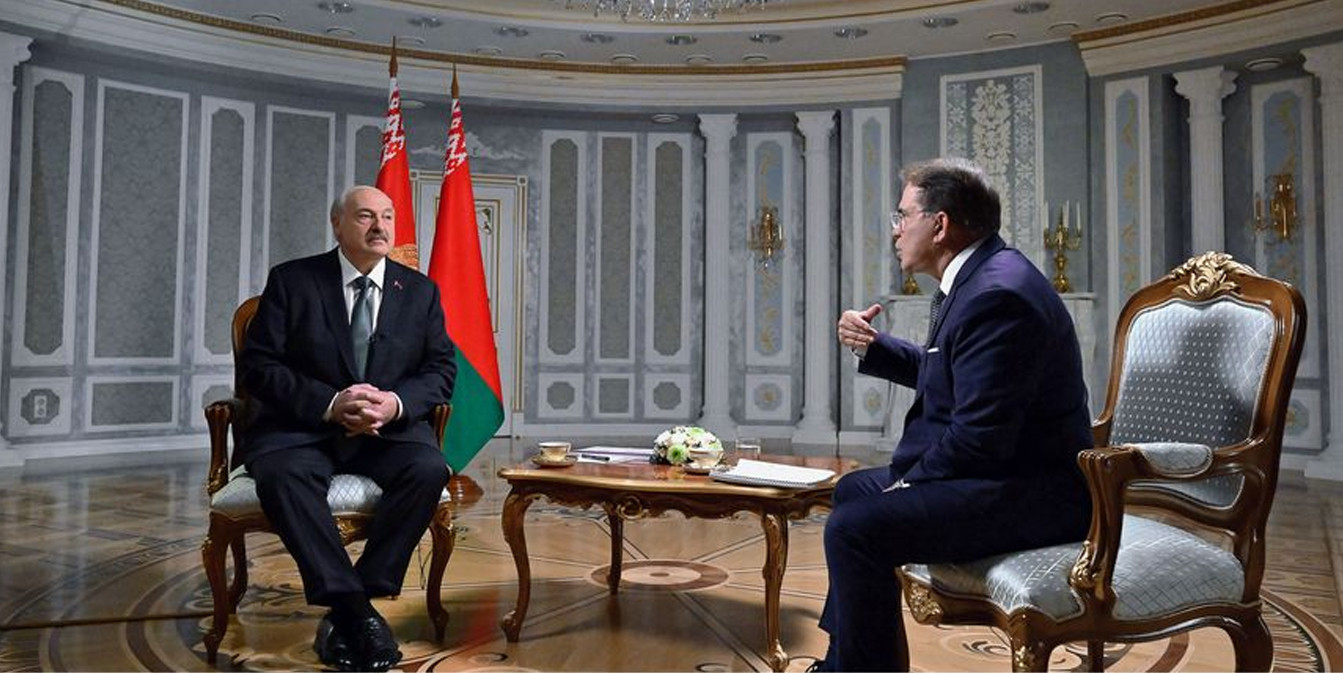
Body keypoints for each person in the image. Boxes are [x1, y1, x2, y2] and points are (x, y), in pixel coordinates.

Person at [820, 158, 1093, 671]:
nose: (896, 230)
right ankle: (846, 661)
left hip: (1034, 494)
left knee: (854, 527)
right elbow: (954, 374)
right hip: (1005, 472)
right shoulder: (980, 279)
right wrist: (874, 347)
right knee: (852, 492)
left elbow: (978, 439)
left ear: (940, 224)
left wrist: (905, 485)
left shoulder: (997, 294)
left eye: (903, 216)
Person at [239, 185, 456, 672]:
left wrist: (393, 404)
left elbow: (441, 371)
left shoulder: (419, 291)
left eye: (387, 216)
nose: (380, 227)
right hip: (303, 427)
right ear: (337, 224)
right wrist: (331, 404)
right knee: (282, 475)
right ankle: (358, 613)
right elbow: (260, 367)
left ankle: (348, 608)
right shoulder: (292, 281)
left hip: (387, 431)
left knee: (427, 469)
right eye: (365, 216)